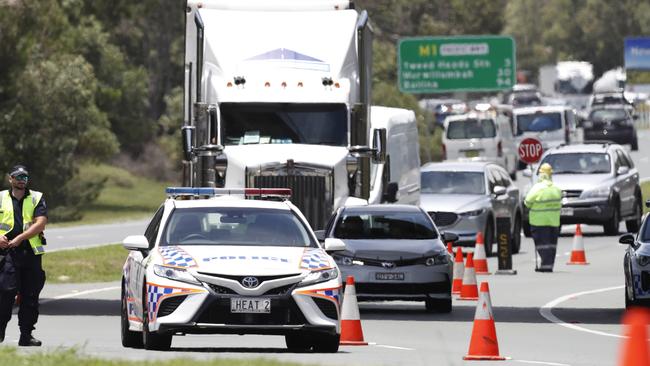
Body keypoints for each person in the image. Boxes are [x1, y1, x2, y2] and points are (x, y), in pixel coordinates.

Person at [0, 165, 47, 346]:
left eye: (25, 177)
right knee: (6, 291)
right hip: (7, 253)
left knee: (30, 295)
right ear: (10, 178)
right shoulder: (1, 197)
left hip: (31, 252)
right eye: (18, 177)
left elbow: (40, 223)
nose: (22, 180)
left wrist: (21, 238)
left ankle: (26, 335)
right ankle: (1, 328)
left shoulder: (37, 197)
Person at [524, 163, 562, 272]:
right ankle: (548, 265)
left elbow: (527, 202)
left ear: (541, 175)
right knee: (551, 245)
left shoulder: (537, 188)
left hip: (539, 222)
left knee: (542, 245)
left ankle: (545, 266)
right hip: (554, 222)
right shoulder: (557, 189)